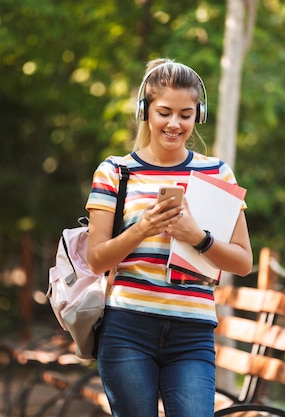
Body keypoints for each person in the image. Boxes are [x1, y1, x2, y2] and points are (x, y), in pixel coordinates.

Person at [85, 58, 252, 417]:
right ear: (145, 111)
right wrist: (142, 228)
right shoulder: (116, 171)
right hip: (128, 329)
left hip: (193, 334)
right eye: (164, 112)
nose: (175, 123)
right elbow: (96, 258)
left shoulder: (218, 172)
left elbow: (243, 261)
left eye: (186, 114)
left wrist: (199, 237)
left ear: (198, 115)